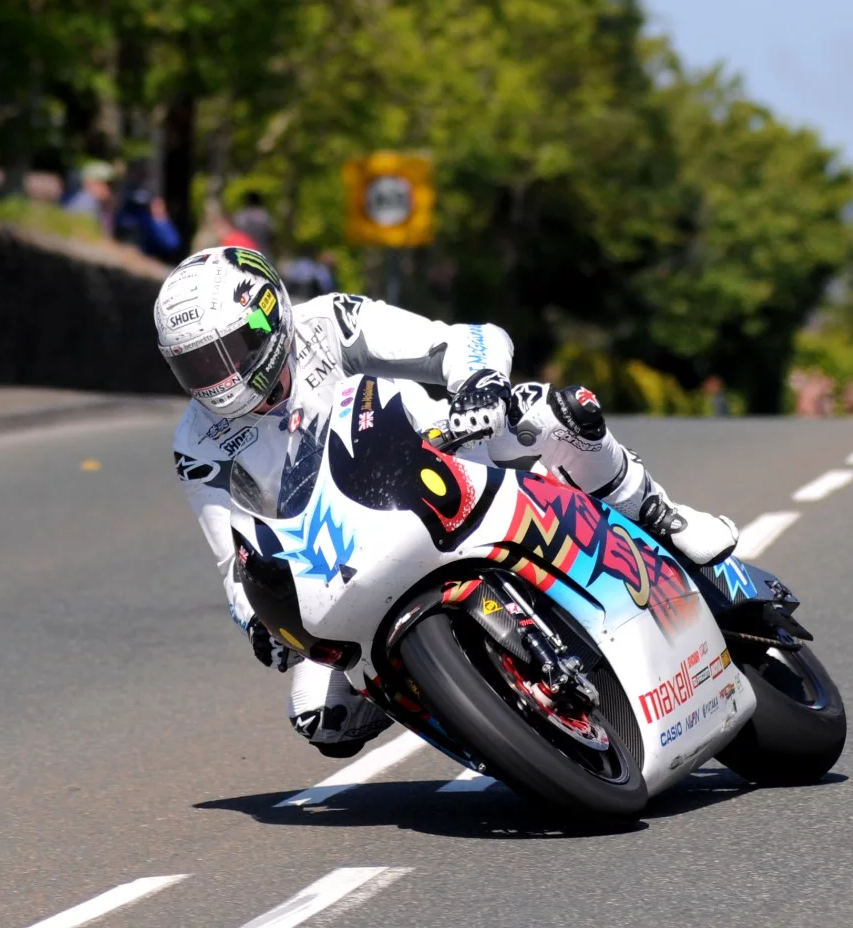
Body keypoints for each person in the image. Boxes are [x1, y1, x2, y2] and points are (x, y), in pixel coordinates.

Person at [155, 247, 739, 756]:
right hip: (345, 561)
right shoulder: (196, 441)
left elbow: (463, 340)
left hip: (436, 457)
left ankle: (659, 515)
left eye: (228, 352)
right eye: (196, 365)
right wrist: (256, 622)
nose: (219, 380)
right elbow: (233, 556)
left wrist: (479, 384)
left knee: (554, 413)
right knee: (322, 718)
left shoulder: (328, 323)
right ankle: (463, 701)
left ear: (268, 316)